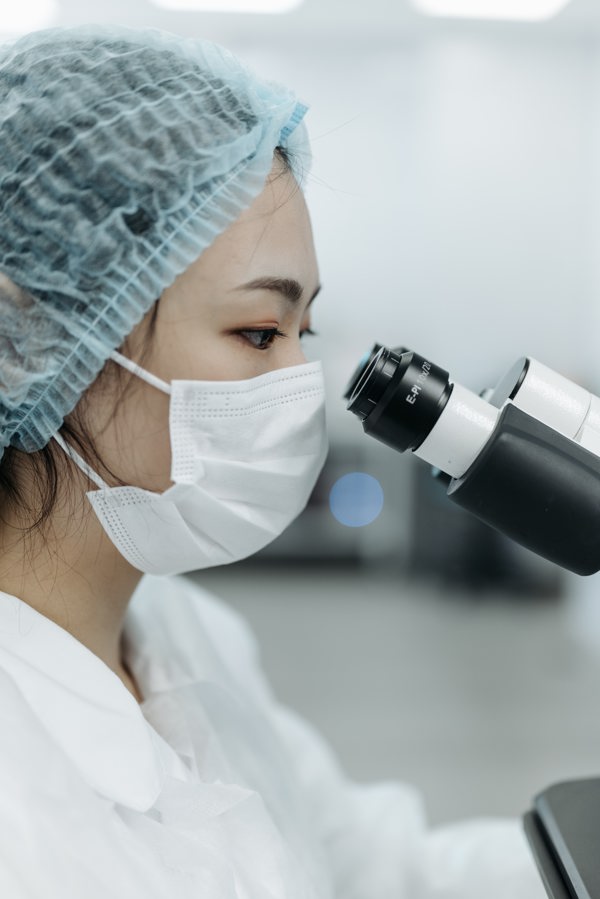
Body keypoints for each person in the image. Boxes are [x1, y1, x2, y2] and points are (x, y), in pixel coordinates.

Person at [0, 22, 544, 899]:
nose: (299, 382)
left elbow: (372, 872)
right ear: (30, 343)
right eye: (259, 331)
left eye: (304, 331)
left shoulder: (186, 634)